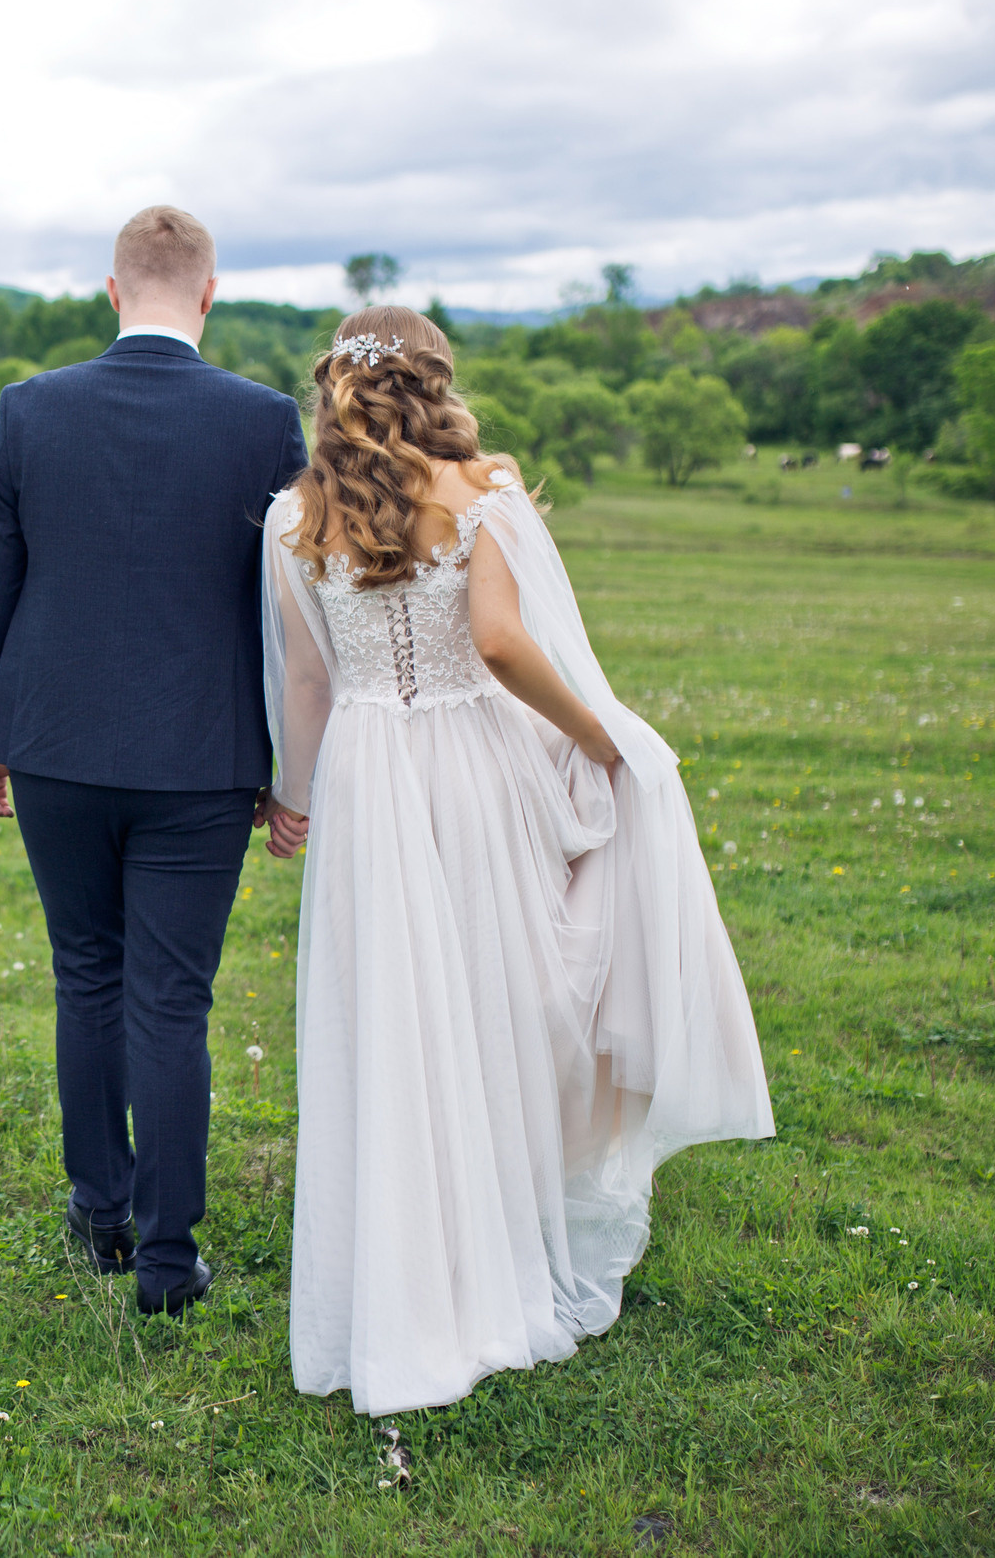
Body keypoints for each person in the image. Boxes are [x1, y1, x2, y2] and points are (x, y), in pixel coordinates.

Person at [262, 306, 774, 1416]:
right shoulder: (477, 491)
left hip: (365, 775)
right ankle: (499, 1233)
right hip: (471, 762)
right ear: (436, 381)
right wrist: (600, 737)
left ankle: (402, 1270)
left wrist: (291, 797)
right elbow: (498, 643)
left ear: (333, 389)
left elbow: (305, 683)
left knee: (393, 1015)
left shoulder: (293, 514)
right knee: (503, 998)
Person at [0, 205, 306, 1316]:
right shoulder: (262, 423)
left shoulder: (29, 410)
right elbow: (285, 611)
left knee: (87, 977)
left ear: (112, 292)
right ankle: (166, 1260)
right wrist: (284, 761)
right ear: (207, 296)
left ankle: (99, 1214)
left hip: (54, 742)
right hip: (202, 757)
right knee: (173, 1002)